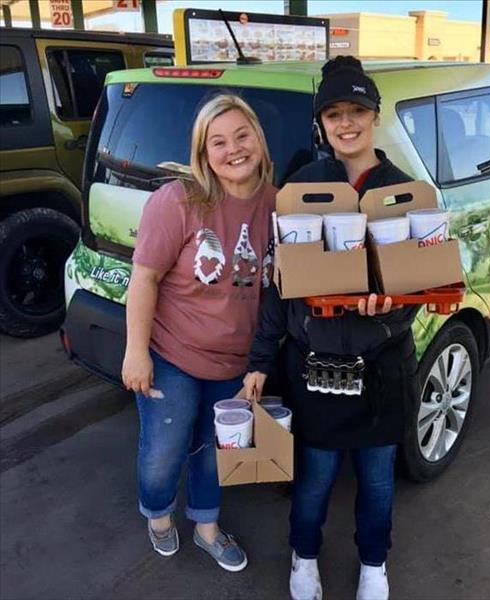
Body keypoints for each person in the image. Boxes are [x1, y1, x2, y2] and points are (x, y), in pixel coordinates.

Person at [244, 56, 419, 600]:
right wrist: (259, 362)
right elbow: (278, 287)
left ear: (375, 115)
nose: (347, 123)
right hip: (314, 365)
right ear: (321, 122)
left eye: (357, 111)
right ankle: (305, 557)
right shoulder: (301, 187)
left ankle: (374, 565)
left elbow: (418, 283)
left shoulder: (404, 190)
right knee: (314, 477)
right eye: (335, 113)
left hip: (381, 364)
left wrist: (388, 309)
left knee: (378, 477)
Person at [122, 94, 276, 571]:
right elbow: (144, 279)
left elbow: (281, 292)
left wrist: (261, 363)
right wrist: (135, 352)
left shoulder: (280, 204)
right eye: (218, 141)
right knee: (164, 452)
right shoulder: (179, 201)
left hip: (236, 360)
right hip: (172, 353)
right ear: (203, 152)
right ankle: (159, 515)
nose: (233, 149)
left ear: (258, 138)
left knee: (215, 452)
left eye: (242, 135)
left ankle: (207, 527)